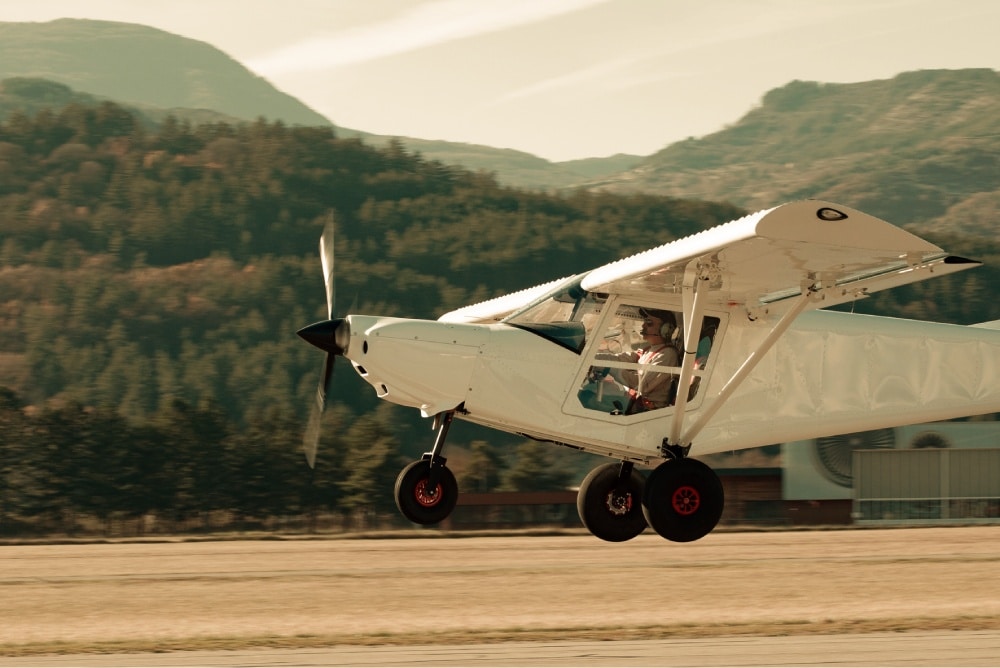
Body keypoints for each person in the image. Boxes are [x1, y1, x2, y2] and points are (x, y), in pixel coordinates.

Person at [592, 308, 680, 414]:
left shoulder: (668, 355)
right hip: (635, 405)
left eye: (649, 323)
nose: (643, 326)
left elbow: (643, 385)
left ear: (665, 330)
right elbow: (619, 359)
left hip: (647, 414)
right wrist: (591, 358)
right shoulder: (648, 350)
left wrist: (610, 368)